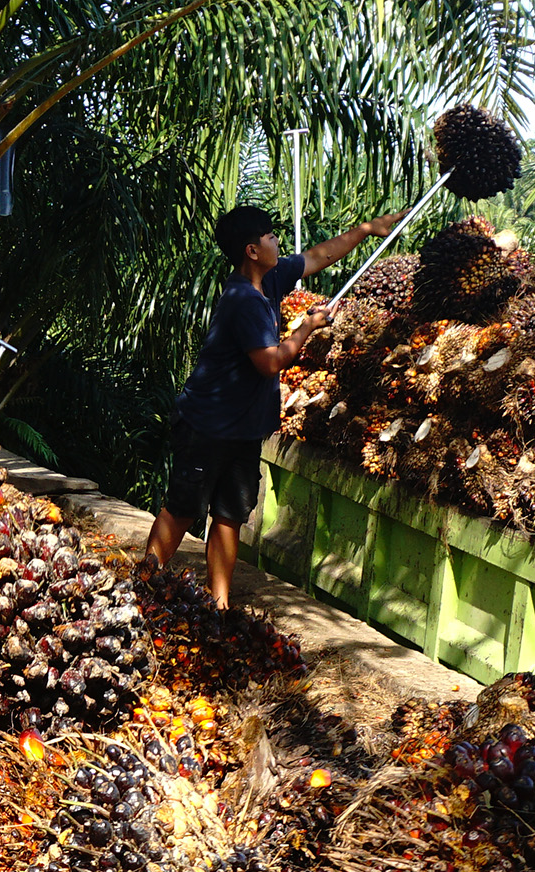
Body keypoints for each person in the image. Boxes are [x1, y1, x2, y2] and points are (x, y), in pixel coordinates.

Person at [146, 202, 404, 608]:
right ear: (251, 250)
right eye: (269, 236)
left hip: (244, 428)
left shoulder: (271, 278)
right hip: (208, 425)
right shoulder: (243, 299)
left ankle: (220, 606)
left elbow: (319, 256)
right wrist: (306, 326)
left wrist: (368, 230)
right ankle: (144, 586)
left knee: (230, 515)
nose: (277, 241)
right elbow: (270, 362)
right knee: (182, 509)